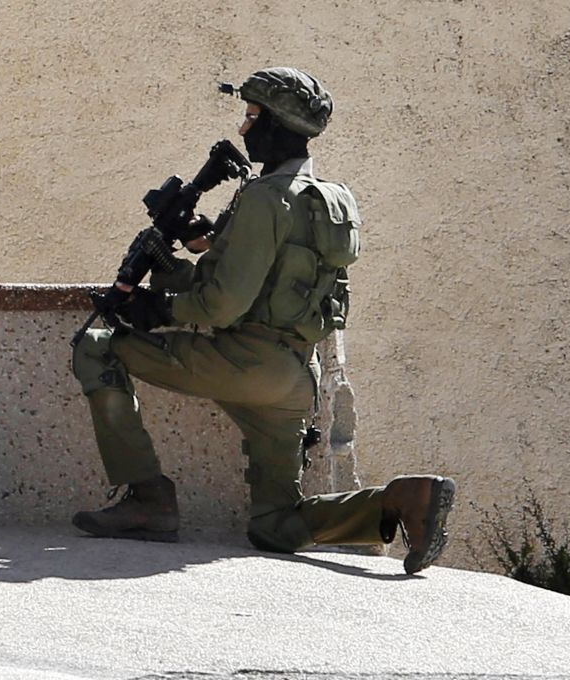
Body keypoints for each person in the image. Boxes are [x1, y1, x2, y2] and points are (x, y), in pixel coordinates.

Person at [71, 67, 456, 574]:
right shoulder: (332, 198)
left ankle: (148, 499)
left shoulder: (263, 198)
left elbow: (221, 306)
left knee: (97, 345)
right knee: (276, 524)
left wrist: (155, 308)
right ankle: (405, 499)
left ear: (277, 124)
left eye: (253, 116)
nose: (245, 128)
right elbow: (262, 279)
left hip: (242, 362)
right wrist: (188, 263)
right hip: (295, 377)